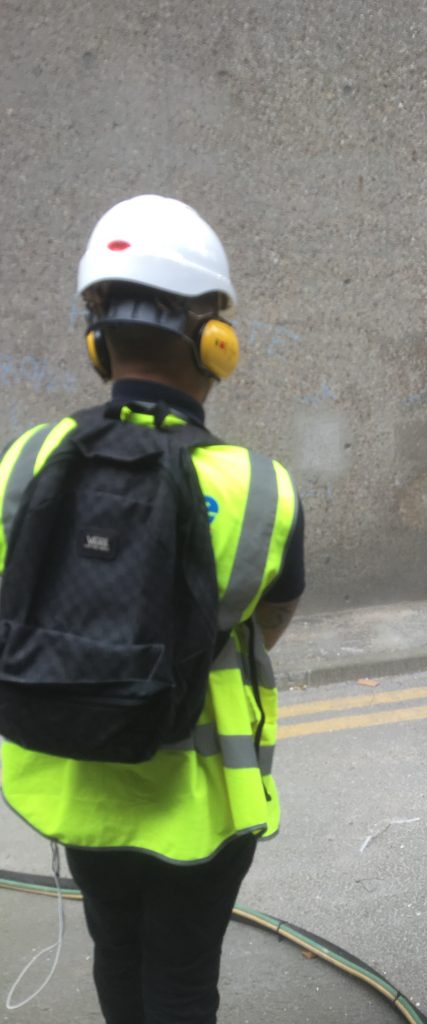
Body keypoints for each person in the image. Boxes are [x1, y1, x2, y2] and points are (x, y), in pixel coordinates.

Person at [0, 195, 305, 1023]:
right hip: (200, 803)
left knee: (116, 949)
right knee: (181, 973)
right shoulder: (261, 489)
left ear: (96, 340)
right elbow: (266, 621)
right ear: (218, 342)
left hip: (78, 785)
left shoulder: (26, 460)